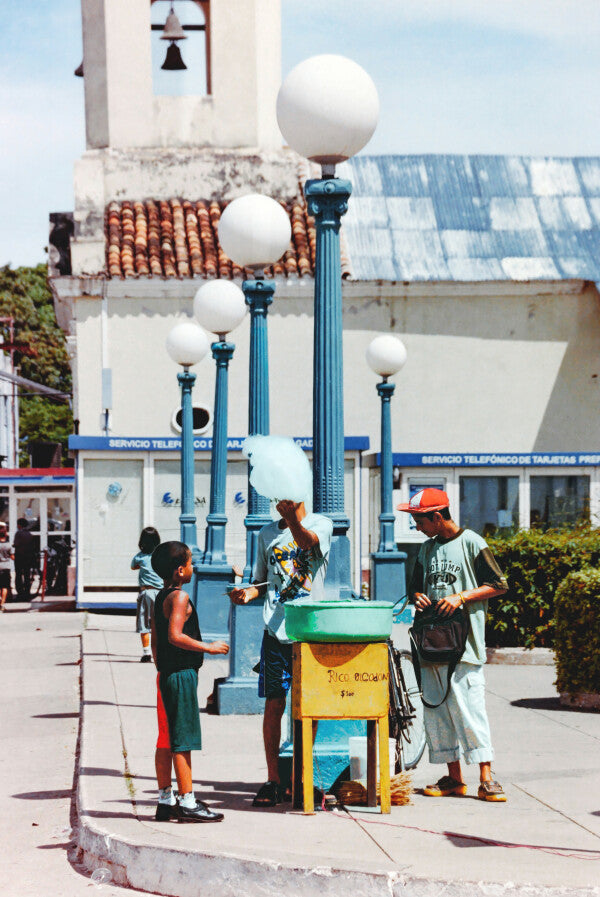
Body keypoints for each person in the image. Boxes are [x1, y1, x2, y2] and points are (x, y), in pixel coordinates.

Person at [398, 488, 509, 802]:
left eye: (419, 520)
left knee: (469, 709)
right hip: (432, 643)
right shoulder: (426, 550)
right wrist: (416, 597)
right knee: (438, 710)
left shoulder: (472, 542)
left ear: (436, 516)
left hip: (465, 643)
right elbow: (415, 590)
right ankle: (454, 777)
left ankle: (486, 777)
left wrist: (461, 596)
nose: (417, 527)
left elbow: (499, 584)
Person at [229, 499, 333, 807]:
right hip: (274, 629)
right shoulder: (265, 534)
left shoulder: (319, 525)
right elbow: (262, 581)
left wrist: (292, 519)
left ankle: (301, 778)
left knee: (308, 707)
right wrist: (249, 592)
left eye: (285, 498)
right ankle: (273, 779)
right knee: (274, 702)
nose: (279, 504)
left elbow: (306, 542)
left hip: (308, 629)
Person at [150, 540, 229, 822]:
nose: (193, 567)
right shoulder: (180, 598)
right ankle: (187, 801)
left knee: (166, 739)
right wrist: (209, 647)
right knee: (183, 740)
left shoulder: (160, 596)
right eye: (191, 562)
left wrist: (163, 669)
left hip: (166, 675)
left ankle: (165, 799)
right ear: (180, 570)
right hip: (181, 676)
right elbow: (174, 636)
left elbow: (156, 642)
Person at [131, 527, 162, 663]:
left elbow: (133, 566)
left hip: (146, 592)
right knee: (160, 622)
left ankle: (146, 652)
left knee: (144, 622)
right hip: (161, 592)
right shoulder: (161, 555)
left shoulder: (140, 556)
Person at [13, 518, 35, 600]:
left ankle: (20, 593)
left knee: (18, 575)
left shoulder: (19, 533)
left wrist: (13, 545)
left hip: (19, 557)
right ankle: (27, 593)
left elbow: (16, 544)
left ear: (19, 525)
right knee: (27, 575)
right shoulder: (29, 534)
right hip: (28, 557)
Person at [0, 523, 11, 612]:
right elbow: (13, 556)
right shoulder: (9, 545)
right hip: (6, 567)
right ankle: (2, 604)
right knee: (4, 586)